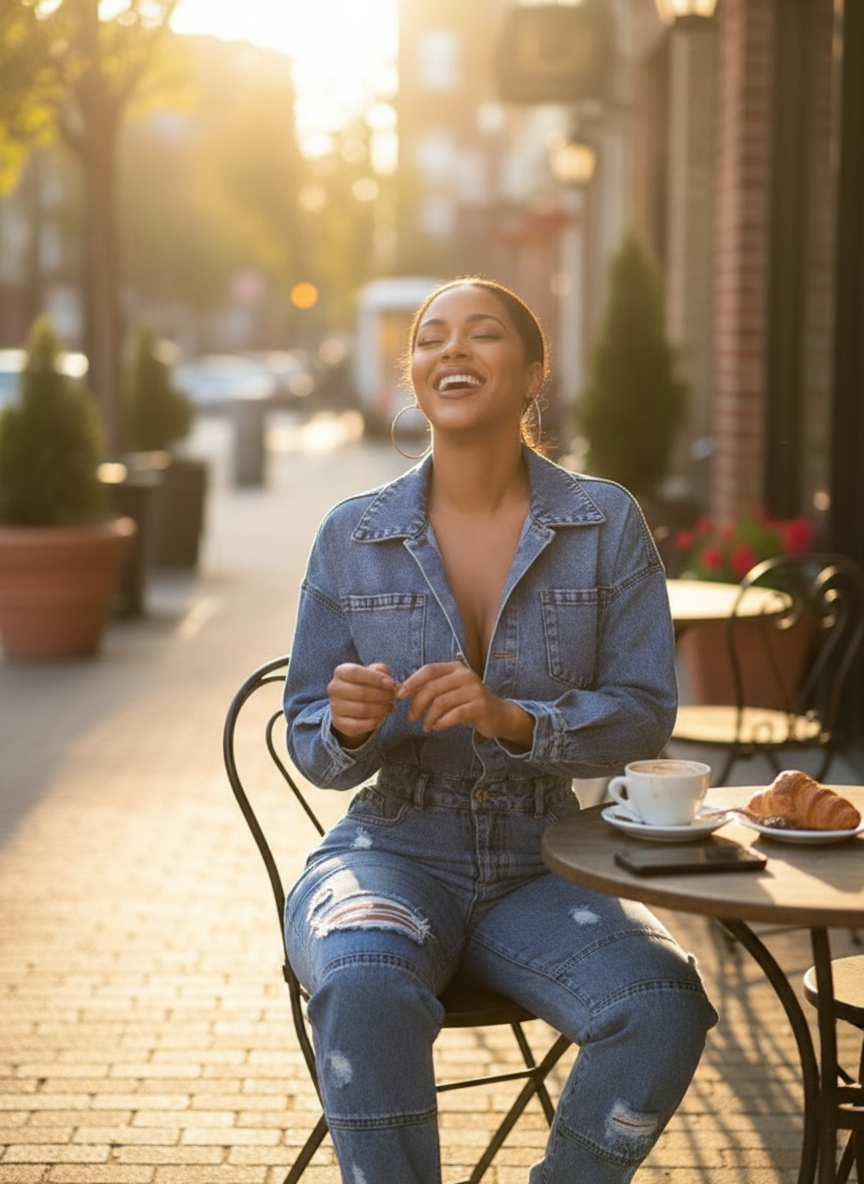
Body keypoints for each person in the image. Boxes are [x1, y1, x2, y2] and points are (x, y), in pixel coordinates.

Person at [283, 278, 717, 1184]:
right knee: (363, 984)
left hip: (547, 859)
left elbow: (644, 715)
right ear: (414, 375)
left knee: (663, 1004)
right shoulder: (350, 533)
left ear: (532, 375)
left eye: (482, 334)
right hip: (392, 848)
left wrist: (511, 717)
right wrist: (353, 725)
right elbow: (311, 737)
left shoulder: (605, 521)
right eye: (433, 337)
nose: (454, 350)